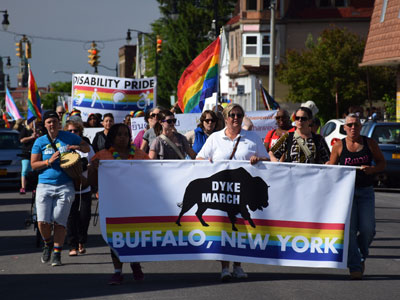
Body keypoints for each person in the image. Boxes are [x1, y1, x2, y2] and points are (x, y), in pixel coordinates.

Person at [196, 103, 269, 282]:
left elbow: (267, 159)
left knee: (240, 228)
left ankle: (238, 266)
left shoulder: (252, 137)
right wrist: (208, 160)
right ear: (226, 118)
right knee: (224, 228)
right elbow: (198, 158)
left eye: (239, 115)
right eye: (232, 115)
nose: (236, 118)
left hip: (244, 193)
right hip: (222, 192)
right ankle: (224, 268)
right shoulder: (215, 138)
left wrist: (258, 158)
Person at [328, 113, 386, 280]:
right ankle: (356, 265)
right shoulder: (338, 146)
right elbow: (331, 170)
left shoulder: (370, 143)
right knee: (350, 231)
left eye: (356, 125)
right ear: (345, 128)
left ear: (361, 127)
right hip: (346, 194)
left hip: (366, 191)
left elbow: (382, 163)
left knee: (368, 230)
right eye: (350, 125)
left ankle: (360, 255)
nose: (353, 128)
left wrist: (372, 169)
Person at [89, 123, 149, 285]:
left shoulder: (140, 155)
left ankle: (136, 265)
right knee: (115, 237)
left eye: (125, 134)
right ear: (112, 137)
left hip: (135, 203)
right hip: (112, 204)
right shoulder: (102, 156)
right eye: (119, 134)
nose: (123, 137)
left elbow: (152, 177)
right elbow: (92, 182)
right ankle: (117, 272)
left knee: (134, 236)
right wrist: (93, 169)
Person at [31, 111, 90, 267]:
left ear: (59, 123)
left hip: (65, 185)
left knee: (59, 221)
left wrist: (76, 146)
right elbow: (33, 164)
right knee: (42, 221)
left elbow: (86, 148)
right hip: (44, 184)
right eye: (49, 121)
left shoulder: (68, 136)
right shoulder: (40, 141)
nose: (52, 124)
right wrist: (48, 161)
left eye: (55, 121)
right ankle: (47, 244)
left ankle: (57, 253)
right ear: (45, 124)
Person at [64, 120, 95, 257]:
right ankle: (72, 245)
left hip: (85, 187)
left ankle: (81, 241)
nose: (72, 133)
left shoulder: (86, 147)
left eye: (75, 131)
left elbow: (93, 162)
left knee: (84, 216)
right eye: (69, 131)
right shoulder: (63, 146)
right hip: (69, 187)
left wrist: (87, 171)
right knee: (71, 218)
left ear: (80, 132)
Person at [19, 119, 39, 194]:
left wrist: (37, 135)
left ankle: (34, 187)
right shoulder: (25, 130)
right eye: (33, 123)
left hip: (36, 154)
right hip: (26, 153)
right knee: (25, 170)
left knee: (34, 171)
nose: (34, 124)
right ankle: (23, 187)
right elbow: (21, 140)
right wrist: (31, 137)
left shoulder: (38, 130)